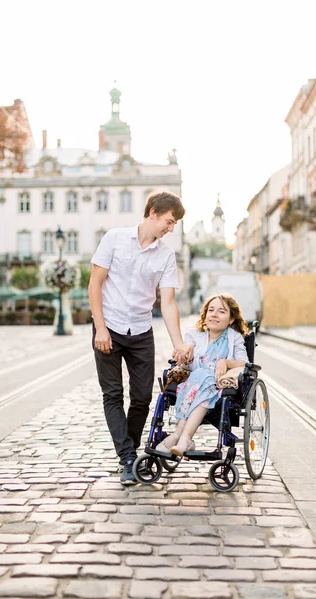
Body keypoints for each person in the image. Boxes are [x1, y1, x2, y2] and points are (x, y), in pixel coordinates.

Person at [88, 190, 188, 485]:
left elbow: (168, 302)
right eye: (168, 222)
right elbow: (95, 284)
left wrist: (178, 343)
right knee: (113, 395)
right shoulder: (115, 238)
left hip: (141, 331)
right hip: (109, 327)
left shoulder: (166, 255)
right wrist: (101, 327)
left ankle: (127, 455)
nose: (170, 229)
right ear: (153, 212)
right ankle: (128, 458)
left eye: (174, 226)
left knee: (142, 398)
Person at [156, 294, 249, 457]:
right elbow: (186, 365)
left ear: (231, 319)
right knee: (200, 378)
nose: (214, 314)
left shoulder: (234, 338)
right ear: (205, 315)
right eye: (211, 310)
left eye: (221, 311)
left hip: (217, 386)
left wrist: (225, 362)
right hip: (194, 383)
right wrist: (187, 353)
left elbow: (244, 363)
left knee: (205, 381)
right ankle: (183, 438)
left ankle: (181, 436)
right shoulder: (194, 335)